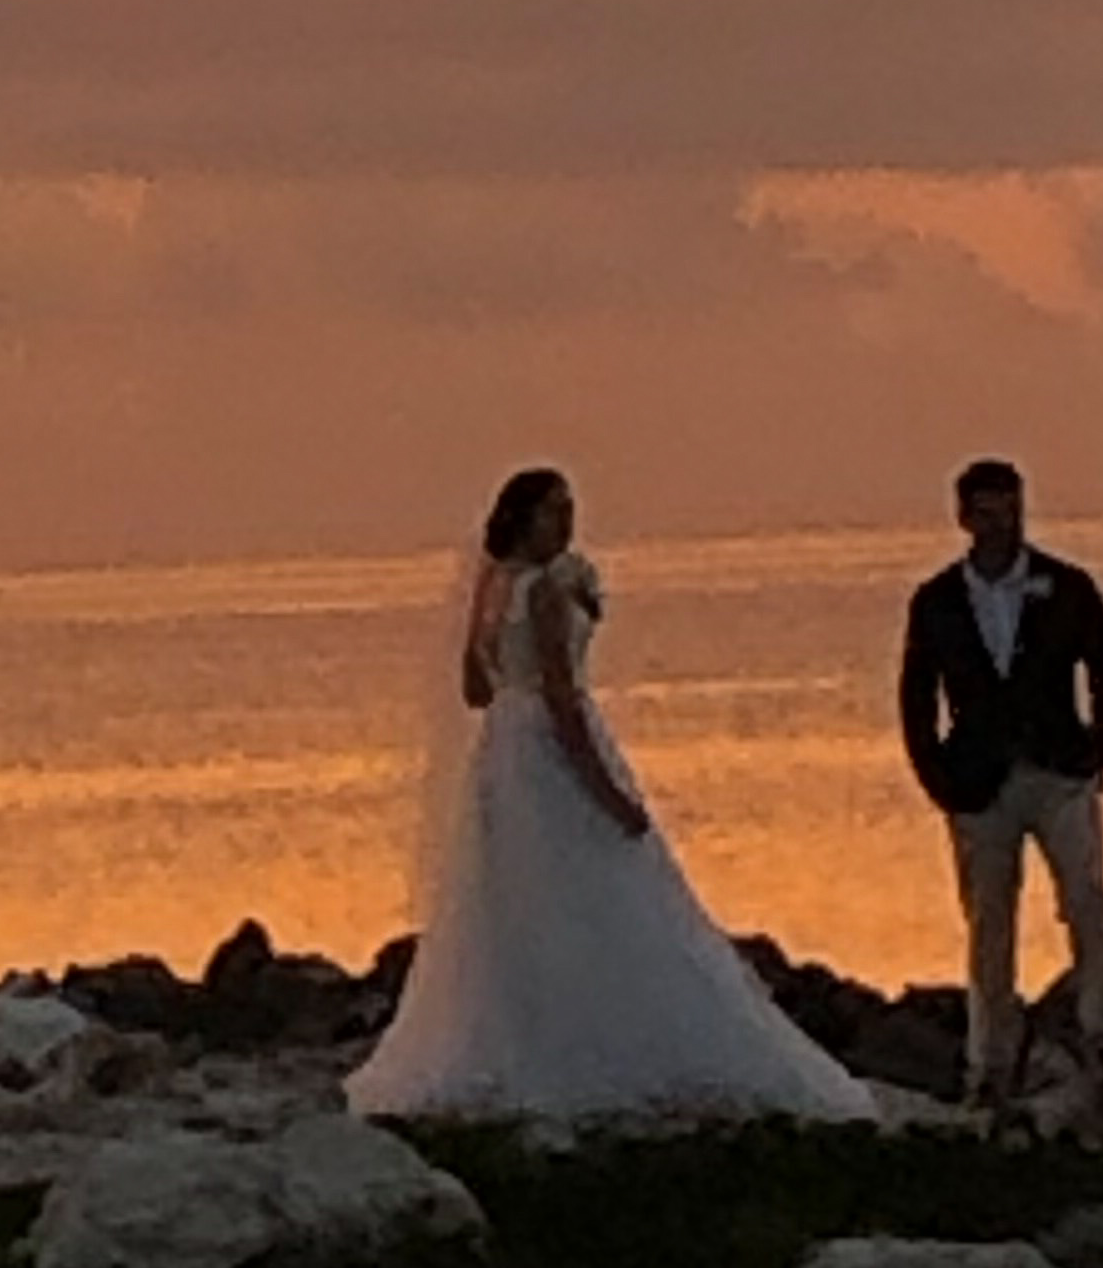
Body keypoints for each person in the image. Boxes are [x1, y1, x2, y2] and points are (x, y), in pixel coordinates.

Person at [351, 466, 874, 1124]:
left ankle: (528, 1033)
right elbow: (565, 700)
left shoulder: (492, 583)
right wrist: (608, 792)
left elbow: (474, 691)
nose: (566, 523)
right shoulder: (542, 590)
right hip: (545, 745)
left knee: (516, 901)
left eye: (569, 510)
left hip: (502, 753)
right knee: (595, 884)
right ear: (524, 518)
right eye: (552, 511)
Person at [897, 458, 1103, 1113]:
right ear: (965, 518)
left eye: (1013, 510)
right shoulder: (937, 601)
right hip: (979, 784)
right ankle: (991, 1061)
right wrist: (937, 776)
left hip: (1060, 772)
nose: (1004, 525)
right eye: (990, 512)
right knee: (989, 925)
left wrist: (1098, 748)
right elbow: (916, 698)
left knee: (1087, 898)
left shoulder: (1068, 587)